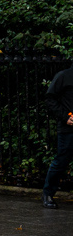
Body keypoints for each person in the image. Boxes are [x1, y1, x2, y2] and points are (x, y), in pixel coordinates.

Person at [43, 66, 73, 208]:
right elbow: (50, 99)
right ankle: (48, 193)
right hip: (68, 128)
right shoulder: (64, 76)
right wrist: (65, 117)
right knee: (61, 160)